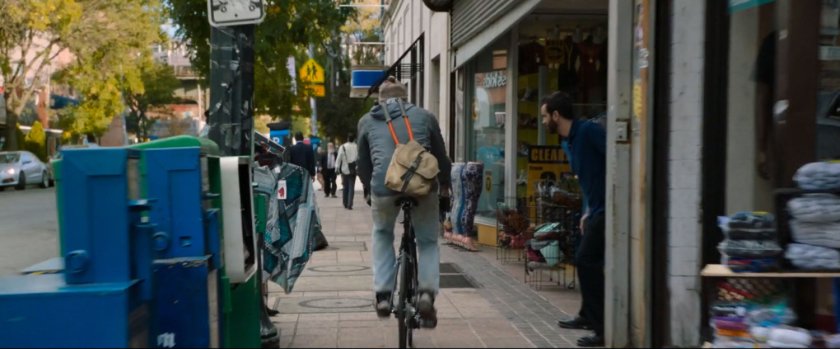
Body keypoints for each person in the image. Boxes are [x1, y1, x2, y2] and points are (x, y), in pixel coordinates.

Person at [357, 76, 452, 325]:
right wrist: (445, 186)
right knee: (428, 241)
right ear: (405, 97)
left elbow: (363, 164)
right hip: (423, 187)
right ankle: (426, 293)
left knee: (382, 233)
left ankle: (383, 295)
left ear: (380, 100)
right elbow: (442, 159)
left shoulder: (367, 121)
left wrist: (369, 189)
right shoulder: (425, 116)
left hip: (384, 187)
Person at [541, 91, 606, 347]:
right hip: (594, 209)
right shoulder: (568, 142)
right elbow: (587, 180)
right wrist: (588, 210)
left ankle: (601, 327)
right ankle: (587, 315)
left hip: (608, 209)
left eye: (545, 116)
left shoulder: (589, 132)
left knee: (586, 260)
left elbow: (616, 157)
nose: (544, 122)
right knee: (583, 257)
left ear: (557, 115)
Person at [335, 132, 359, 210]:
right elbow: (359, 158)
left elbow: (339, 158)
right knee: (352, 187)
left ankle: (345, 202)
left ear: (347, 138)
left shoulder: (343, 147)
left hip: (345, 169)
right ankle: (350, 204)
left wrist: (337, 167)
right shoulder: (356, 147)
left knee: (345, 186)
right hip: (353, 169)